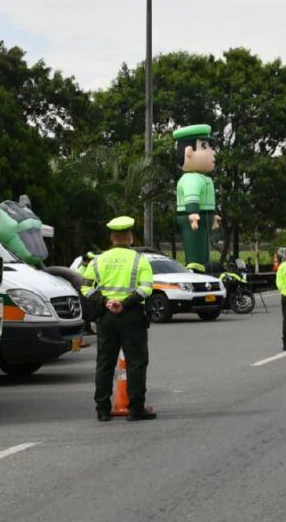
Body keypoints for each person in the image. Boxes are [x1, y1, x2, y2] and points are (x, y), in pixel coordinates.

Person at [82, 216, 157, 422]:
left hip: (106, 316)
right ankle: (136, 409)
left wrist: (105, 301)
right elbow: (146, 288)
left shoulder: (98, 260)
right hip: (131, 315)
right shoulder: (139, 260)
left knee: (105, 362)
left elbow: (86, 287)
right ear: (129, 237)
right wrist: (124, 303)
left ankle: (103, 409)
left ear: (112, 238)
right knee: (136, 362)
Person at [174, 124, 221, 268]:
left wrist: (214, 215)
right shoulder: (190, 178)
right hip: (192, 217)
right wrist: (193, 213)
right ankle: (195, 267)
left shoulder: (203, 178)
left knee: (203, 245)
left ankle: (203, 266)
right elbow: (191, 197)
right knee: (195, 245)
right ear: (189, 152)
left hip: (204, 216)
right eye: (204, 146)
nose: (212, 152)